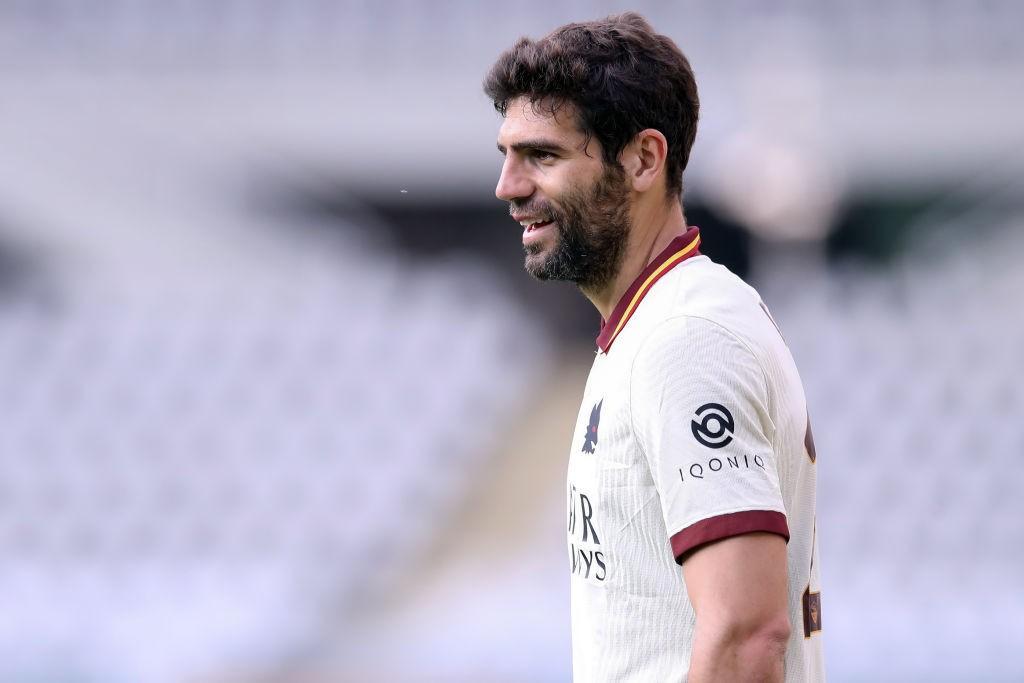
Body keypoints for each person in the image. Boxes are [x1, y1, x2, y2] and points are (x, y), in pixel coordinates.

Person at [484, 12, 825, 682]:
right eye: (507, 155)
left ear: (644, 159)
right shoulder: (650, 327)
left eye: (543, 156)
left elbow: (747, 635)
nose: (509, 186)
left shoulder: (684, 339)